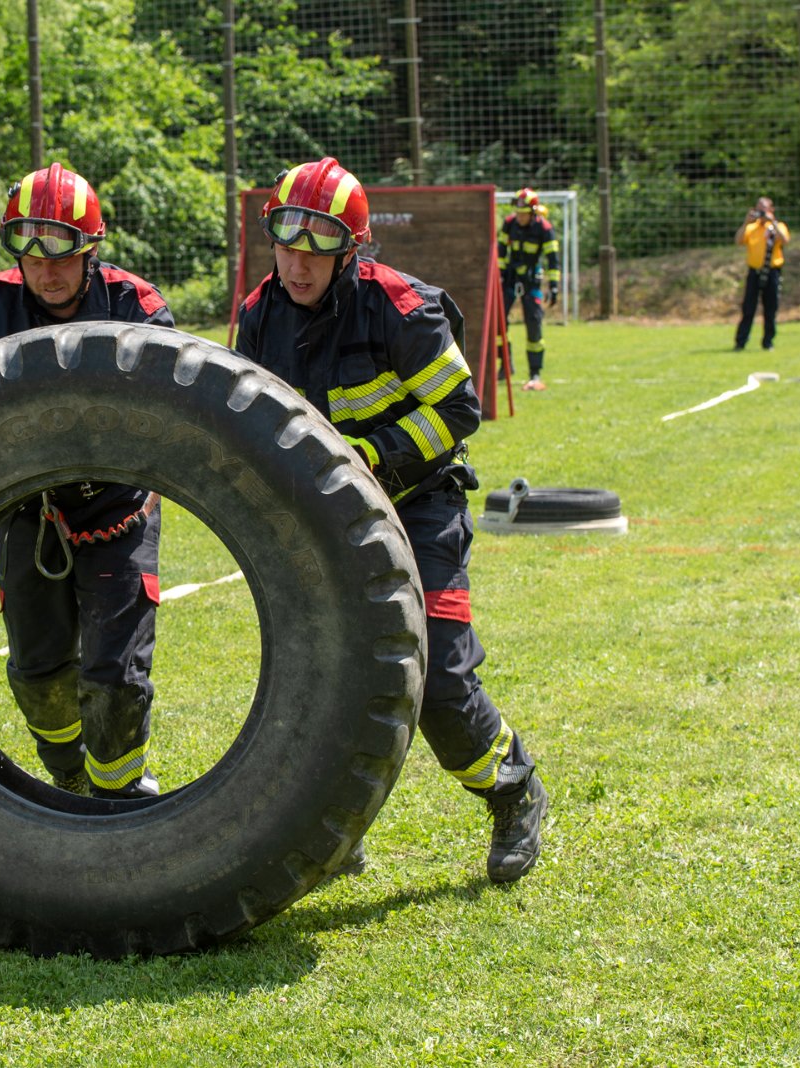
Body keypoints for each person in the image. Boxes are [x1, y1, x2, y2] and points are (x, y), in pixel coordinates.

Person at [235, 157, 548, 884]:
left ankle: (513, 789)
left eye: (317, 246)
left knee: (437, 679)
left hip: (420, 508)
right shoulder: (258, 315)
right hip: (324, 524)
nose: (298, 262)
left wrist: (370, 460)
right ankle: (335, 833)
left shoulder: (401, 307)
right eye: (287, 242)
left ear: (352, 248)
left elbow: (460, 410)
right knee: (324, 680)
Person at [0, 163, 174, 799]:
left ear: (90, 249)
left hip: (117, 508)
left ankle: (120, 794)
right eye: (30, 252)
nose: (45, 270)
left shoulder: (136, 306)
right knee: (39, 674)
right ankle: (68, 772)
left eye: (61, 252)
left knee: (115, 672)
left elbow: (177, 417)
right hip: (25, 513)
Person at [496, 187, 561, 391]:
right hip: (509, 280)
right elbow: (499, 252)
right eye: (518, 212)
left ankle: (535, 373)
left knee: (534, 324)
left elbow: (553, 260)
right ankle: (505, 366)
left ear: (533, 212)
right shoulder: (509, 224)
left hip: (531, 281)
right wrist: (499, 276)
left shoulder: (544, 229)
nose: (520, 217)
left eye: (524, 213)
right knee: (499, 325)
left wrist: (554, 286)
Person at [734, 196, 789, 351]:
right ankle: (740, 342)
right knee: (748, 308)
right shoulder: (751, 228)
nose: (761, 212)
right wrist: (746, 222)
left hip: (772, 272)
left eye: (763, 208)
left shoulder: (778, 226)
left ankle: (768, 342)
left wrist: (773, 221)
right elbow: (738, 241)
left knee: (770, 309)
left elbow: (784, 240)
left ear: (771, 210)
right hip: (754, 272)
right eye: (758, 208)